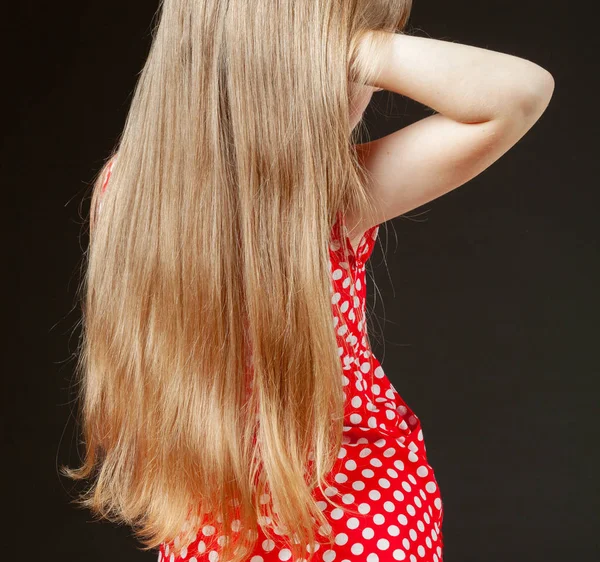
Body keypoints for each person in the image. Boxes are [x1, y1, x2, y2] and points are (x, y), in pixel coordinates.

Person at [61, 2, 554, 562]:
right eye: (353, 67)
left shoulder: (130, 193)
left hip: (286, 522)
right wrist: (338, 47)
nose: (365, 90)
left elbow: (521, 92)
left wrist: (330, 44)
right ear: (295, 65)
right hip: (293, 518)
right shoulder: (321, 197)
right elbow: (521, 95)